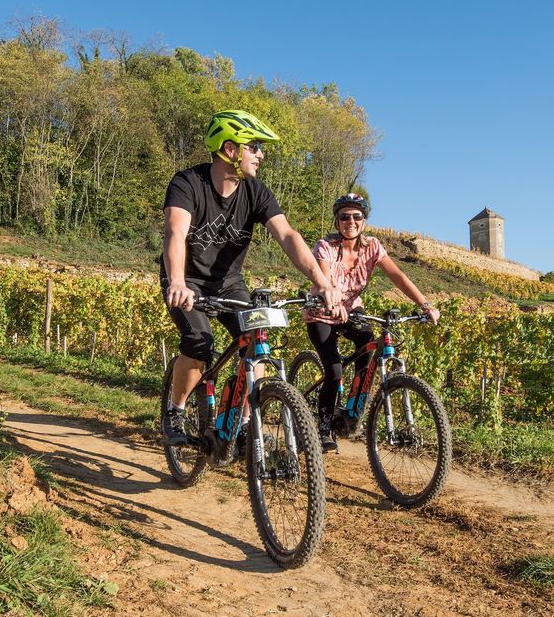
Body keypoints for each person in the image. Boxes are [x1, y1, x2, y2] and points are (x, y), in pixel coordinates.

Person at [161, 109, 342, 445]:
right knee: (200, 344)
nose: (261, 154)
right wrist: (176, 281)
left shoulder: (256, 191)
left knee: (256, 343)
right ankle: (176, 409)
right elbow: (175, 232)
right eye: (254, 146)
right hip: (187, 280)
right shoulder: (187, 183)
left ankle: (244, 423)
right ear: (230, 149)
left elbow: (287, 235)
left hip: (228, 282)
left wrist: (322, 281)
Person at [303, 193, 440, 451]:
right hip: (322, 312)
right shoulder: (326, 246)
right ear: (337, 221)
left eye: (356, 216)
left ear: (364, 221)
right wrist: (332, 302)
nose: (350, 221)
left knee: (367, 350)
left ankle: (351, 412)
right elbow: (324, 276)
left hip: (352, 312)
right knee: (334, 371)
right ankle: (323, 426)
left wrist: (424, 303)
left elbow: (397, 275)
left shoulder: (373, 247)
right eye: (344, 217)